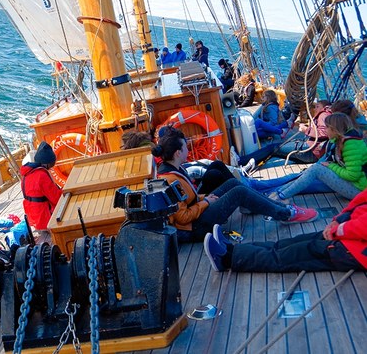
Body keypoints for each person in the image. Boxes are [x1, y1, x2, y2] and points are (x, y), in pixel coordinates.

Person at [153, 127, 318, 242]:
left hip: (198, 214)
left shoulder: (174, 169)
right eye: (185, 148)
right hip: (196, 228)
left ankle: (277, 206)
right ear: (178, 153)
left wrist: (204, 198)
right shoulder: (170, 180)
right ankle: (286, 214)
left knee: (232, 183)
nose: (188, 151)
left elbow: (188, 199)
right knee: (239, 192)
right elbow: (182, 218)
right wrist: (206, 202)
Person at [205, 186, 367, 272]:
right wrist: (338, 220)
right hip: (348, 232)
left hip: (354, 250)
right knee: (290, 242)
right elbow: (360, 201)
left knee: (290, 255)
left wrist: (338, 229)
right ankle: (232, 250)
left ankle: (227, 260)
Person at [269, 112, 367, 202]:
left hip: (359, 190)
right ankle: (279, 193)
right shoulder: (341, 140)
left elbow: (353, 175)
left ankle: (280, 196)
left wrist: (330, 166)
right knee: (314, 168)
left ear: (334, 129)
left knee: (316, 169)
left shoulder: (351, 145)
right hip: (356, 185)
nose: (325, 131)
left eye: (326, 128)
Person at [20, 141, 63, 243]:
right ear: (47, 163)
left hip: (33, 216)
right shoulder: (42, 175)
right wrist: (64, 191)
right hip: (44, 218)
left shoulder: (26, 174)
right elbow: (56, 199)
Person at [275, 99, 332, 163]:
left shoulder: (323, 115)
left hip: (312, 152)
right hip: (316, 151)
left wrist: (306, 129)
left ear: (325, 107)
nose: (315, 109)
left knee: (276, 148)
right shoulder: (330, 114)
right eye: (315, 107)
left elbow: (324, 133)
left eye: (317, 106)